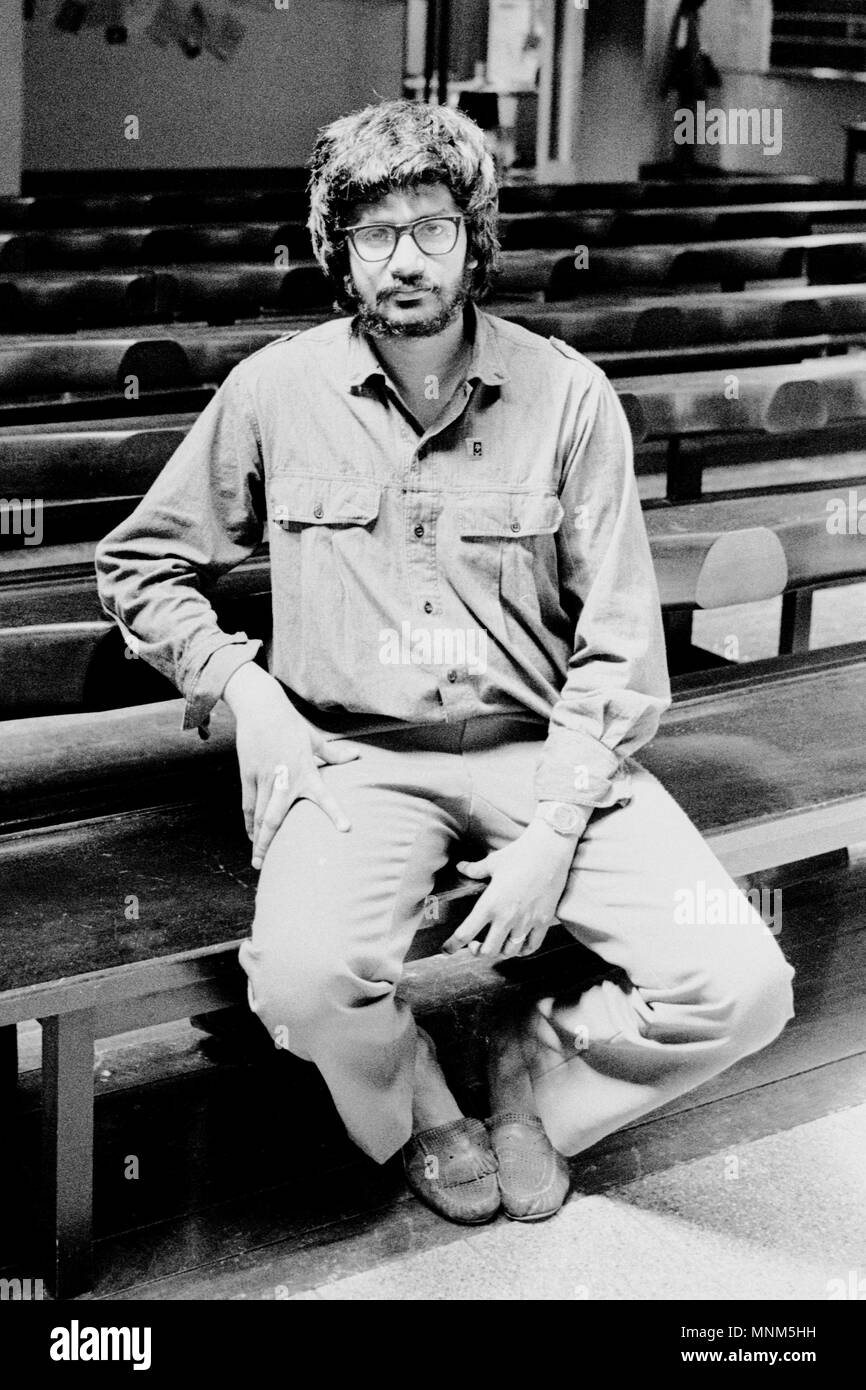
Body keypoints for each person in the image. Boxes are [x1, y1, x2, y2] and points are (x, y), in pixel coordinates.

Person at [95, 99, 795, 1228]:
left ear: (474, 236)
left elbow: (620, 647)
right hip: (353, 760)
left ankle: (536, 1076)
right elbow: (137, 566)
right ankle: (420, 1100)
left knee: (745, 987)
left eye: (430, 226)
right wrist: (245, 691)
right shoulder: (276, 392)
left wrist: (557, 831)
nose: (404, 258)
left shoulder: (566, 396)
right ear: (338, 249)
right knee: (305, 981)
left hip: (544, 753)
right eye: (373, 233)